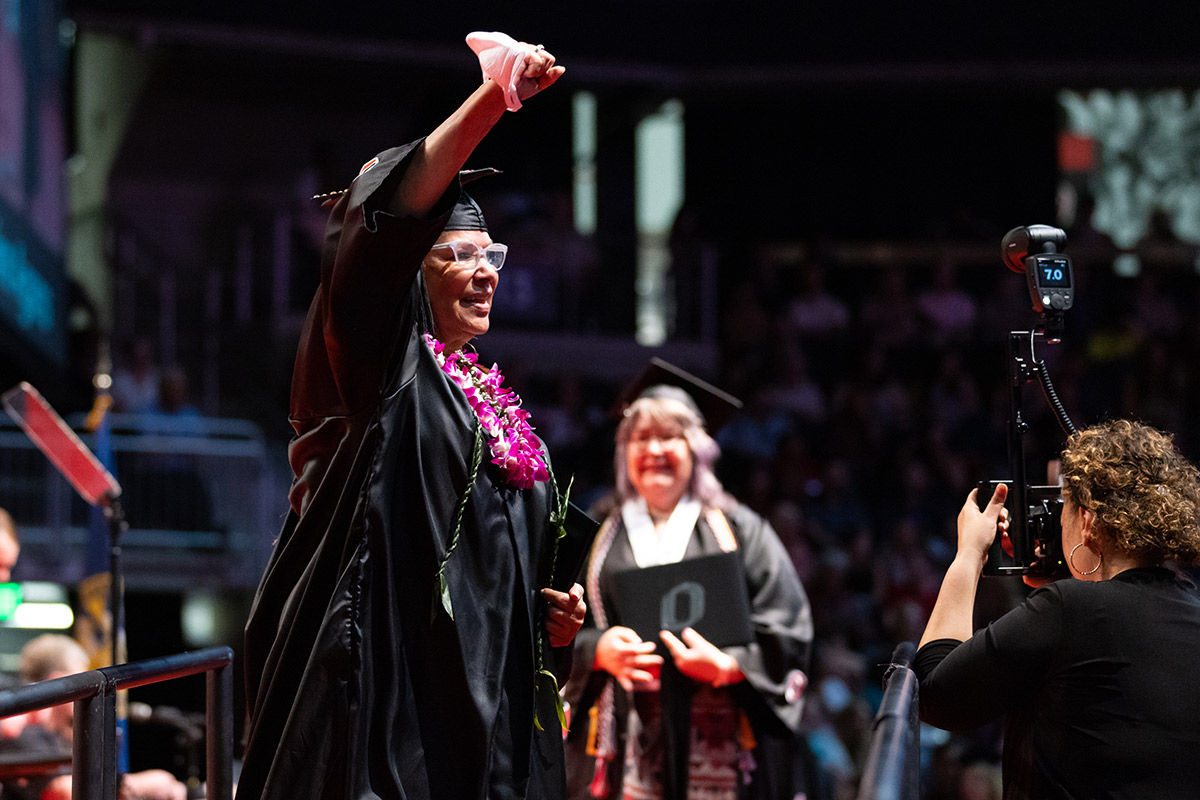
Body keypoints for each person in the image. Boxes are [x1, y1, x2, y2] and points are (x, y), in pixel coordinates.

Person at [240, 33, 586, 800]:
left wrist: (549, 621)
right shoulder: (377, 365)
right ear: (405, 275)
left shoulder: (488, 399)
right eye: (457, 257)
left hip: (484, 711)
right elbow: (381, 230)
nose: (484, 274)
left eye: (491, 256)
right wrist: (494, 99)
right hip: (389, 696)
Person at [914, 419, 1200, 799]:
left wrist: (969, 554)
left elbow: (935, 694)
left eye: (1064, 505)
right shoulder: (1191, 609)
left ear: (1088, 520)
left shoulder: (1069, 610)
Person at [563, 380, 813, 800]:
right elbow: (555, 625)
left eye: (670, 437)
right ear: (624, 454)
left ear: (697, 450)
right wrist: (598, 649)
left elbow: (787, 628)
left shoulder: (738, 530)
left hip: (721, 736)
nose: (654, 450)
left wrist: (729, 666)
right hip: (620, 736)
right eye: (641, 438)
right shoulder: (597, 533)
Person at [0, 634, 186, 800]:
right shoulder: (18, 730)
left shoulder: (59, 734)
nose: (88, 690)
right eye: (81, 679)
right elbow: (62, 791)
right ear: (58, 679)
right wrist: (141, 784)